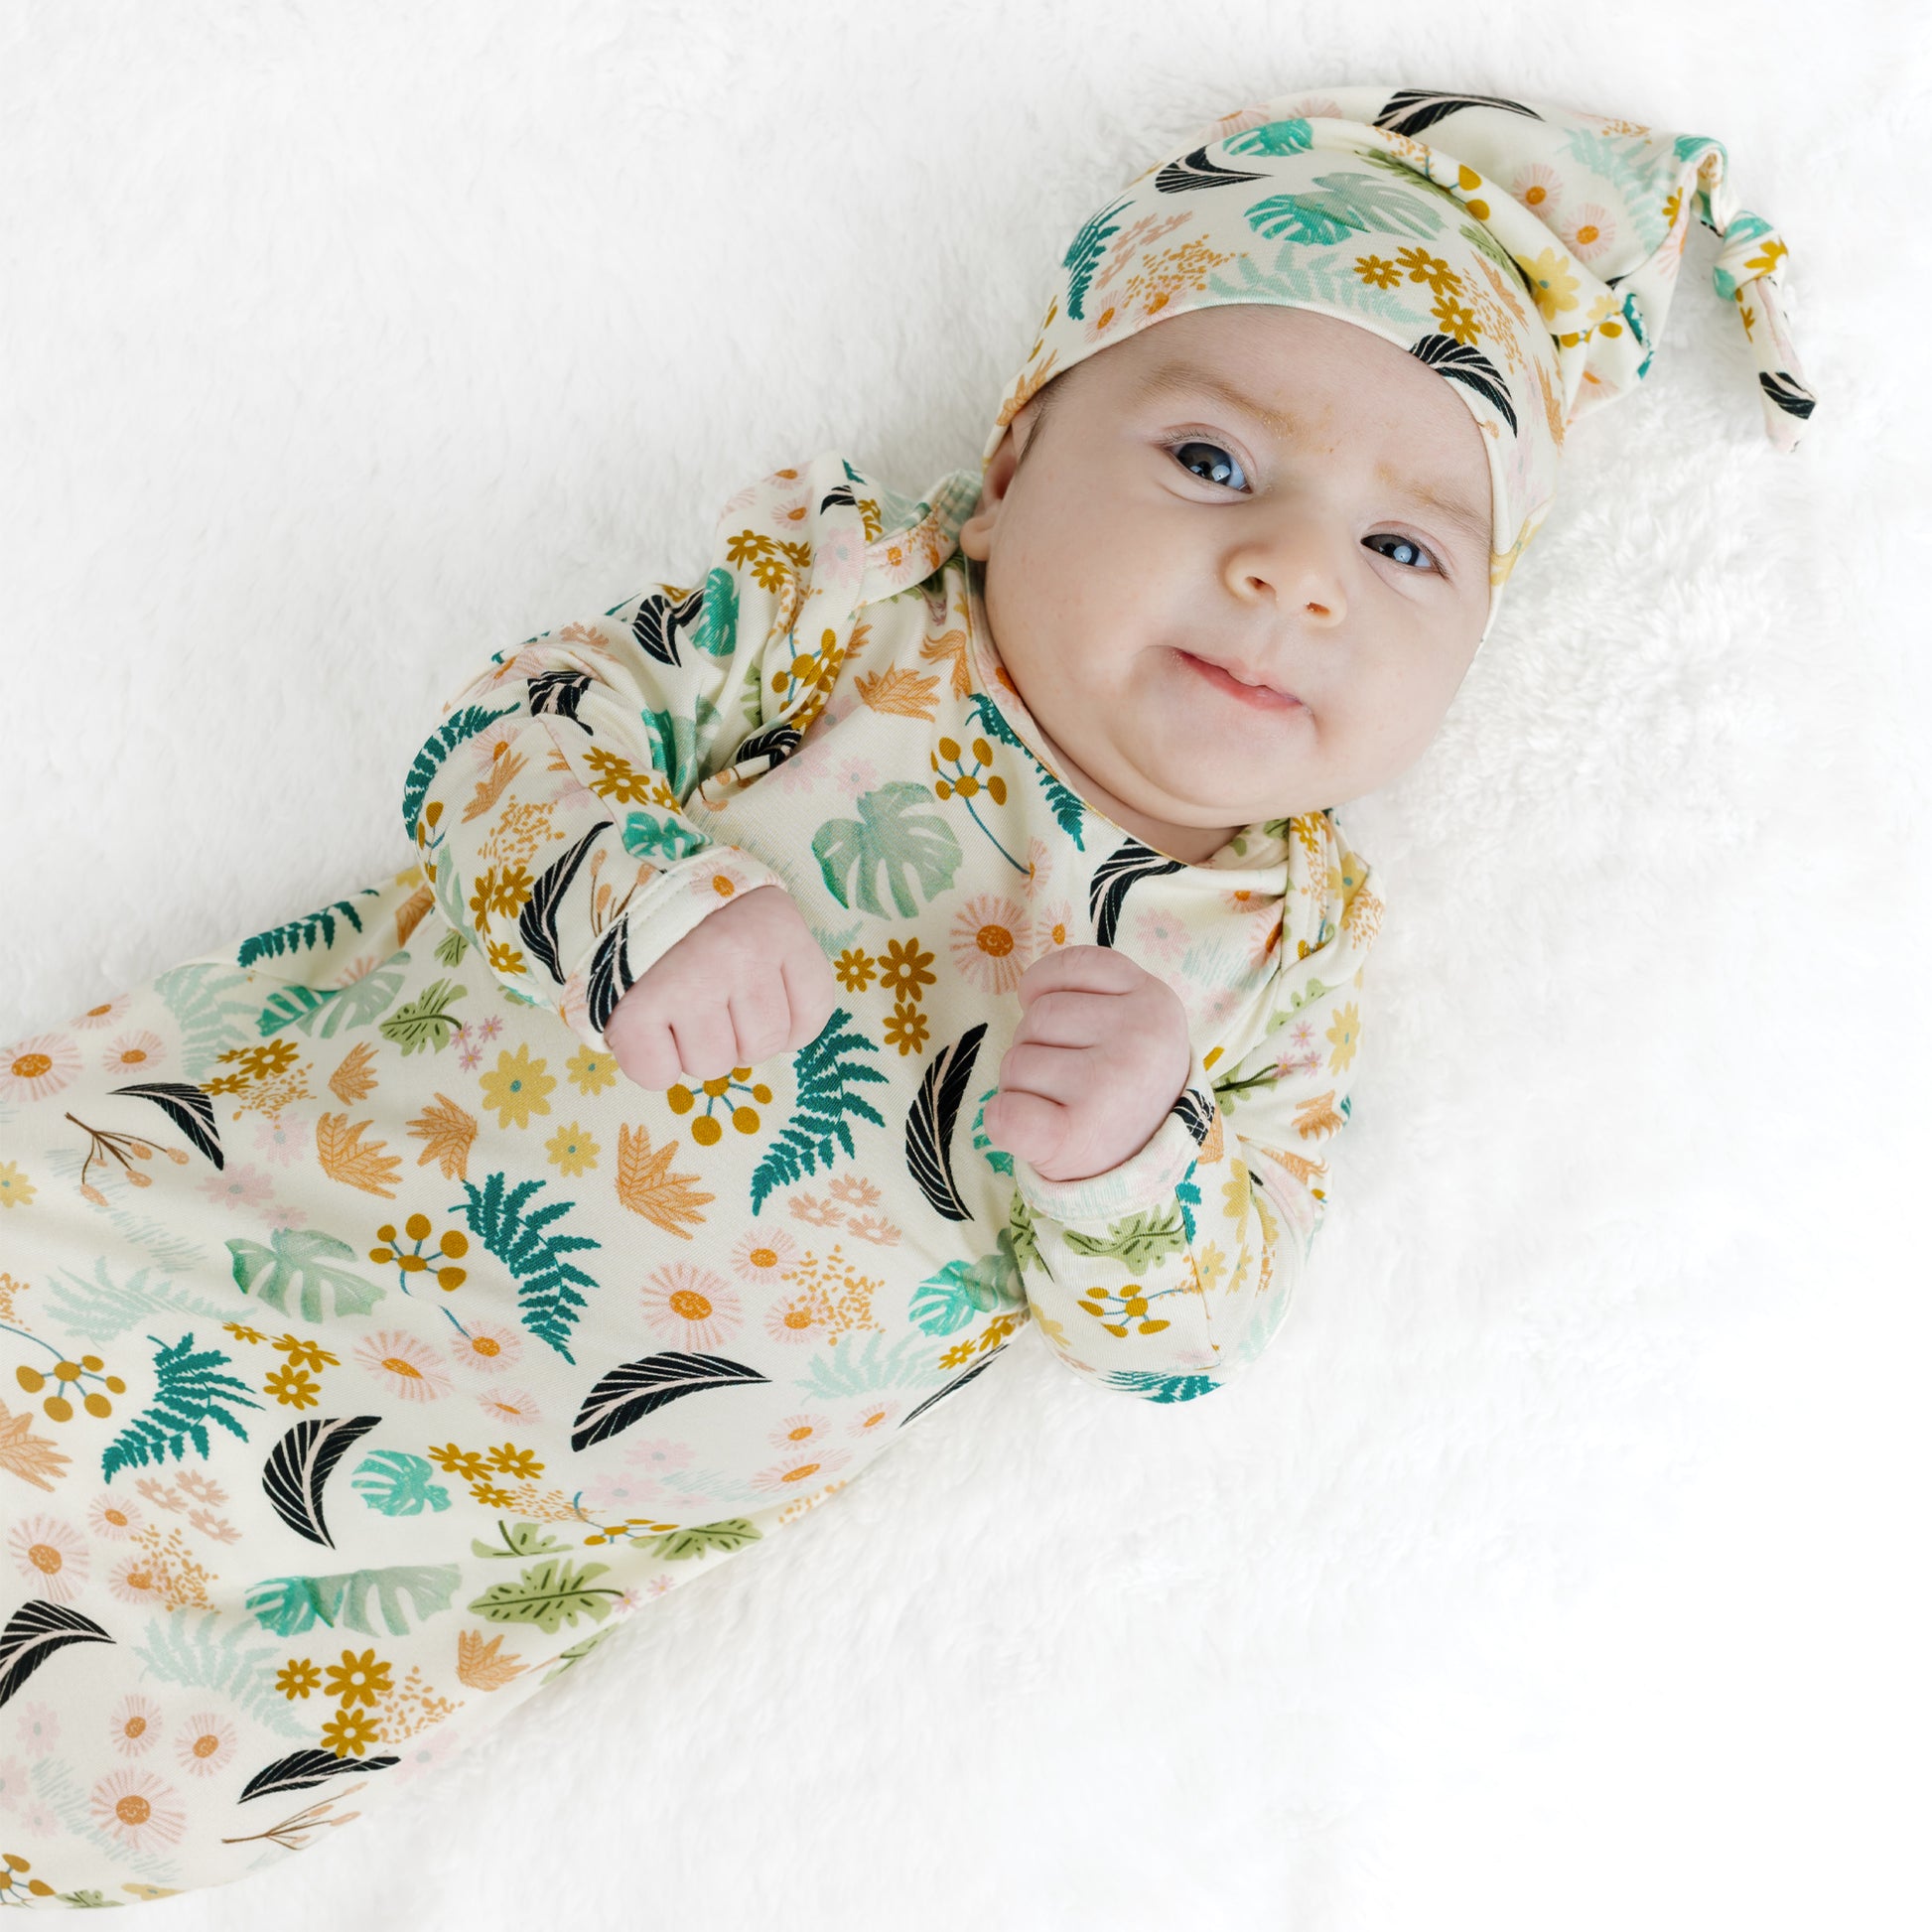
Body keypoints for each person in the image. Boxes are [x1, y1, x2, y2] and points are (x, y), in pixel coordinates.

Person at [0, 82, 1811, 1907]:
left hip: (478, 1530)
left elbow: (1195, 1329)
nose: (1287, 572)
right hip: (247, 1210)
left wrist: (1127, 1165)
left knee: (129, 1799)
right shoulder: (851, 606)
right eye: (1210, 461)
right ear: (1015, 457)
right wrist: (635, 888)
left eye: (1403, 550)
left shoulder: (1277, 951)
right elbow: (516, 734)